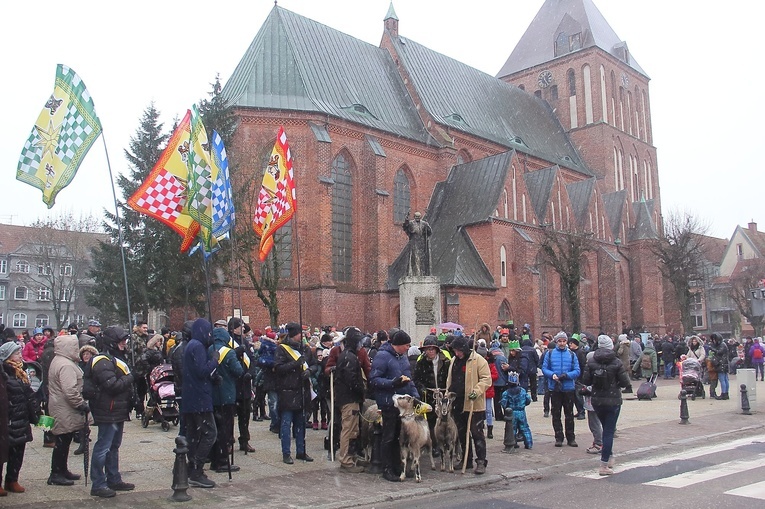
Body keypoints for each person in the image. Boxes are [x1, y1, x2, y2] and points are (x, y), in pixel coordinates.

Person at [87, 326, 136, 498]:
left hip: (117, 409)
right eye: (121, 340)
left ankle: (113, 478)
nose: (124, 343)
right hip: (108, 409)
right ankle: (98, 483)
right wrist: (131, 376)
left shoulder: (117, 358)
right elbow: (112, 386)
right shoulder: (102, 360)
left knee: (113, 446)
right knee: (103, 447)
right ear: (112, 342)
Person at [370, 329, 419, 482]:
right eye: (406, 345)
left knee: (400, 436)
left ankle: (398, 466)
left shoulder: (403, 358)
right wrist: (393, 383)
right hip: (389, 403)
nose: (408, 348)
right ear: (398, 345)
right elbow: (374, 379)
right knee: (389, 436)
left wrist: (415, 395)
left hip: (403, 405)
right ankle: (387, 468)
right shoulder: (383, 357)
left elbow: (409, 379)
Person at [580, 335, 632, 475]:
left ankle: (609, 456)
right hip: (613, 399)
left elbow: (586, 380)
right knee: (608, 431)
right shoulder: (616, 362)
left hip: (597, 400)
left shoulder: (591, 361)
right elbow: (626, 383)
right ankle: (604, 464)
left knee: (604, 429)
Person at [46, 334, 90, 486]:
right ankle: (56, 473)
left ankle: (62, 470)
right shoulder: (65, 365)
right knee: (63, 440)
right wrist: (80, 404)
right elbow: (70, 390)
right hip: (64, 408)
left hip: (60, 406)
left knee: (64, 439)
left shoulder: (60, 360)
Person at [0, 341, 41, 494]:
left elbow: (29, 395)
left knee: (18, 452)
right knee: (3, 451)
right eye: (16, 353)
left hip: (21, 418)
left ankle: (12, 479)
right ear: (7, 356)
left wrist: (36, 413)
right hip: (8, 420)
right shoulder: (4, 374)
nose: (20, 356)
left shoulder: (21, 373)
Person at [182, 318, 218, 489]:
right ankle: (197, 470)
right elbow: (202, 371)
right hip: (199, 398)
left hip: (192, 396)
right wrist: (214, 361)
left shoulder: (191, 345)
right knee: (210, 433)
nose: (210, 335)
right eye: (208, 331)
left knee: (195, 434)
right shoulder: (197, 346)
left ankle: (192, 467)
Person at [447, 336, 491, 474]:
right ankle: (467, 459)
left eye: (459, 351)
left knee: (476, 433)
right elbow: (450, 379)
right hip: (458, 403)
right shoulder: (454, 360)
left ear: (464, 349)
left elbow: (486, 379)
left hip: (473, 404)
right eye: (455, 351)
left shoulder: (478, 360)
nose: (457, 353)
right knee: (461, 433)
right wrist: (448, 393)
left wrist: (477, 391)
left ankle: (481, 461)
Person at [273, 322, 314, 465]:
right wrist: (296, 364)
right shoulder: (281, 349)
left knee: (301, 424)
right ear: (293, 334)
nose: (301, 336)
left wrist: (310, 371)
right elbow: (278, 368)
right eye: (299, 334)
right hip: (287, 391)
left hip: (302, 390)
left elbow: (314, 364)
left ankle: (301, 451)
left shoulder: (305, 349)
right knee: (286, 425)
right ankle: (286, 453)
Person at [209, 326, 244, 473]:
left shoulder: (209, 349)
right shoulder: (228, 352)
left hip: (212, 395)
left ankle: (213, 457)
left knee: (214, 428)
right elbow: (238, 371)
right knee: (225, 429)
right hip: (226, 393)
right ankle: (222, 461)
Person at [333, 327, 366, 473]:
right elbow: (352, 380)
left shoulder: (347, 355)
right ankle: (346, 459)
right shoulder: (349, 357)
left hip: (347, 397)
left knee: (352, 429)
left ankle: (350, 457)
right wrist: (361, 390)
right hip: (349, 398)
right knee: (348, 429)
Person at [541, 331, 580, 447]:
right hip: (555, 387)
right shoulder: (550, 353)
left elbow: (577, 370)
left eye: (564, 341)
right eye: (560, 341)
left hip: (568, 388)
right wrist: (552, 374)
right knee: (556, 414)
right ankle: (558, 437)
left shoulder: (572, 355)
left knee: (569, 414)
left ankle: (571, 437)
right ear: (556, 342)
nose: (562, 343)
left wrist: (567, 375)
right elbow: (544, 368)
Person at [413, 335, 451, 453]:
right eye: (428, 349)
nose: (430, 352)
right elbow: (417, 379)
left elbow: (451, 377)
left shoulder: (446, 362)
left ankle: (447, 442)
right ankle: (435, 445)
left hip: (443, 394)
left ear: (436, 350)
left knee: (445, 419)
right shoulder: (421, 363)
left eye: (432, 349)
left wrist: (448, 390)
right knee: (431, 420)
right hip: (429, 395)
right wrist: (422, 388)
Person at [499, 371, 532, 449]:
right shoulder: (522, 391)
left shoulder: (506, 393)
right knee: (525, 428)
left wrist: (506, 408)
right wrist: (523, 404)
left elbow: (503, 403)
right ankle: (529, 443)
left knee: (512, 429)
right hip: (521, 412)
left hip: (512, 412)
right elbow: (528, 400)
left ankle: (513, 443)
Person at [402, 211, 432, 276]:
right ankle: (415, 273)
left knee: (422, 259)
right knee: (414, 258)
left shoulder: (424, 223)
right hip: (414, 242)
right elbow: (405, 226)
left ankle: (422, 273)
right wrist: (406, 219)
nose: (417, 218)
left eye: (418, 217)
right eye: (416, 217)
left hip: (422, 242)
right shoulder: (411, 223)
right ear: (414, 217)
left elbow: (429, 232)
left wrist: (427, 227)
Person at [708, 333, 730, 400]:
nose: (714, 341)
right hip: (724, 363)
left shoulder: (722, 345)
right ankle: (725, 393)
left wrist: (712, 349)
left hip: (721, 364)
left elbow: (719, 352)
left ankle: (724, 393)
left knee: (722, 379)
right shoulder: (723, 344)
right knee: (725, 379)